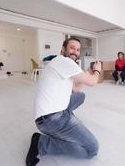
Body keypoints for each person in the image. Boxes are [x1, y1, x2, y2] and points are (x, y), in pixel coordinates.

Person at [26, 38, 101, 166]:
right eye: (72, 48)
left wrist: (87, 73)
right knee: (92, 150)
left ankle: (68, 119)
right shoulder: (65, 62)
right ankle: (41, 143)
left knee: (80, 96)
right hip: (51, 119)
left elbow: (76, 89)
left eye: (78, 50)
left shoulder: (61, 63)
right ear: (63, 49)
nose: (75, 52)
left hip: (48, 114)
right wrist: (97, 70)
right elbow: (93, 82)